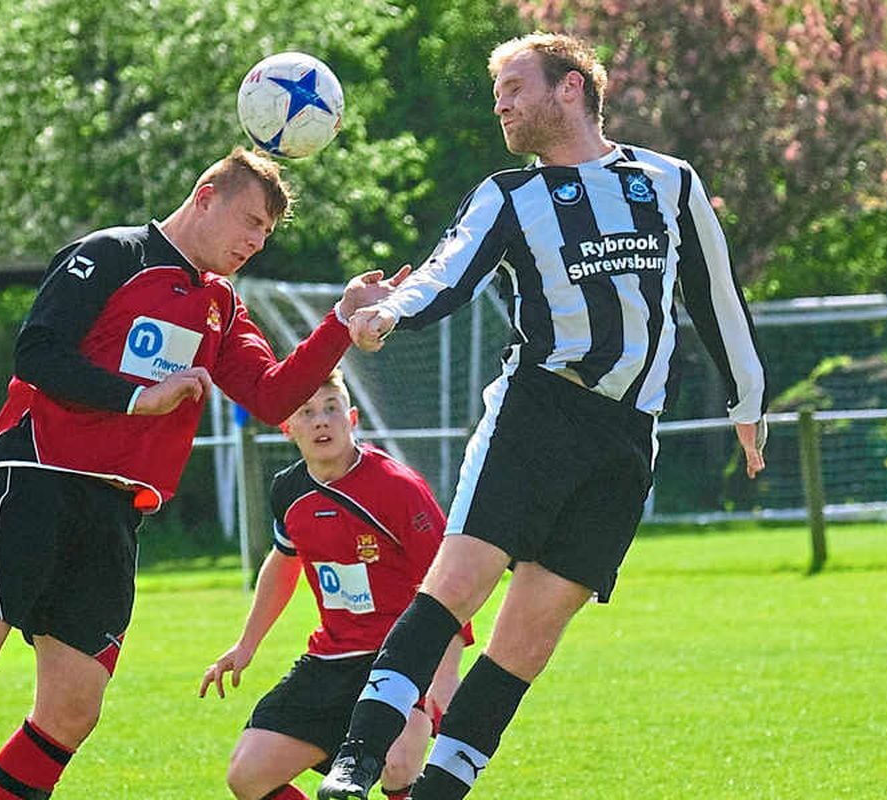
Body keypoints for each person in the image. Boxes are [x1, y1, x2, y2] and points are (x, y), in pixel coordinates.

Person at [0, 146, 408, 800]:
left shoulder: (221, 307)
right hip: (38, 476)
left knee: (71, 712)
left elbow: (271, 397)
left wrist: (341, 324)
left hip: (116, 512)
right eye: (250, 221)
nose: (255, 242)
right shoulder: (114, 255)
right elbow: (37, 352)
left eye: (266, 232)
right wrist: (133, 396)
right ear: (207, 193)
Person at [317, 32, 768, 800]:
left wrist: (748, 402)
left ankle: (439, 790)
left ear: (571, 89)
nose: (501, 102)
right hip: (536, 415)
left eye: (516, 86)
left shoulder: (669, 182)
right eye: (498, 91)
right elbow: (445, 271)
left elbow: (716, 295)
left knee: (527, 639)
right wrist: (385, 314)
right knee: (455, 585)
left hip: (627, 439)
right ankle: (355, 765)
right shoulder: (507, 195)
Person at [200, 370, 472, 800]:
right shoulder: (289, 490)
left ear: (353, 418)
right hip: (330, 660)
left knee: (398, 766)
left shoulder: (398, 488)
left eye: (331, 408)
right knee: (247, 775)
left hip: (401, 659)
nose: (321, 421)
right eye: (306, 413)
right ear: (288, 428)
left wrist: (444, 674)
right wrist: (246, 644)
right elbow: (283, 562)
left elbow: (451, 580)